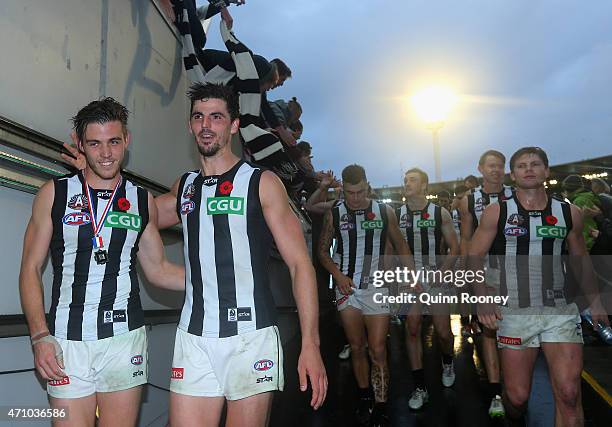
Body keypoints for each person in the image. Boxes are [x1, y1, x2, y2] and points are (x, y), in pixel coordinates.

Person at [152, 83, 326, 426]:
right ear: (190, 125)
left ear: (233, 125)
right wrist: (94, 175)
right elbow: (135, 215)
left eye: (216, 117)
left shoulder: (261, 183)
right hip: (194, 336)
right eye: (199, 117)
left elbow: (299, 265)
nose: (206, 125)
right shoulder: (185, 187)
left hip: (251, 338)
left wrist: (311, 344)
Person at [20, 98, 185, 426]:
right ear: (80, 143)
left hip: (124, 340)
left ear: (127, 140)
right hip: (66, 341)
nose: (106, 154)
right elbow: (29, 269)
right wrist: (40, 336)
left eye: (114, 142)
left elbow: (159, 270)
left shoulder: (140, 200)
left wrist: (218, 278)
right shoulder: (54, 195)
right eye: (94, 144)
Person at [468, 146, 609, 426]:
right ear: (513, 174)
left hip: (559, 309)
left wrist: (595, 301)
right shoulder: (498, 212)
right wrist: (482, 298)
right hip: (514, 311)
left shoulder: (569, 213)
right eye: (522, 165)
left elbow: (581, 261)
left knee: (569, 394)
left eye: (535, 164)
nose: (529, 169)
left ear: (546, 171)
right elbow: (473, 257)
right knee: (518, 398)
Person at [316, 164, 413, 426]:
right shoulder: (335, 213)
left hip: (377, 286)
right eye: (349, 192)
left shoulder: (384, 211)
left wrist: (411, 275)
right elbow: (322, 252)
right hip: (347, 288)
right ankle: (363, 395)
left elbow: (401, 245)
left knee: (378, 349)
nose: (355, 198)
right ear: (344, 190)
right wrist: (337, 276)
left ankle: (381, 405)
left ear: (367, 186)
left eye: (359, 192)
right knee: (357, 346)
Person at [398, 169, 460, 410]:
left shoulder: (439, 212)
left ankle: (447, 362)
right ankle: (420, 387)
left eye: (412, 180)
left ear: (424, 186)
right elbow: (393, 246)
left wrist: (443, 271)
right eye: (405, 180)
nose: (407, 183)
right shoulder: (397, 214)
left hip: (436, 275)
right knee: (412, 327)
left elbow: (454, 247)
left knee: (443, 333)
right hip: (410, 279)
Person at [458, 149, 513, 417]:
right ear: (480, 168)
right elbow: (466, 241)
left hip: (516, 273)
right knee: (490, 330)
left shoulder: (517, 194)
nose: (495, 170)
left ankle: (514, 386)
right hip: (487, 271)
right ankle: (495, 392)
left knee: (513, 331)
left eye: (500, 165)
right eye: (490, 165)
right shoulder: (470, 200)